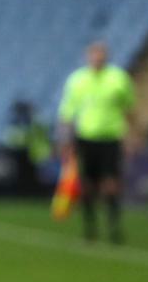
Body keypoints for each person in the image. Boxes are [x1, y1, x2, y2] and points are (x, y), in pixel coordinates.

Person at [57, 41, 137, 243]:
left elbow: (129, 109)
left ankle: (114, 228)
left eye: (100, 55)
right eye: (93, 55)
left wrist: (131, 137)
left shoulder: (118, 79)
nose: (97, 58)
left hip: (111, 138)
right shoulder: (77, 80)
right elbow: (67, 114)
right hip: (86, 138)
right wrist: (65, 142)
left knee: (111, 184)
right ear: (88, 57)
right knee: (87, 185)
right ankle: (90, 229)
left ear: (106, 56)